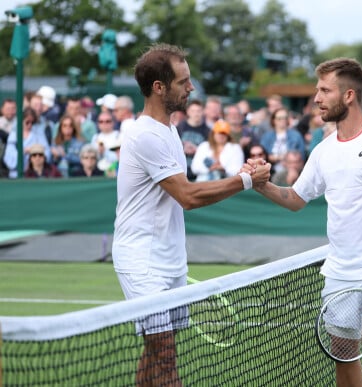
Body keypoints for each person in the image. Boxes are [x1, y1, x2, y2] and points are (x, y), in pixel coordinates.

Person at [112, 43, 270, 387]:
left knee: (155, 355)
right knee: (167, 358)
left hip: (169, 258)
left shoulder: (168, 129)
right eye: (183, 81)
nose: (191, 88)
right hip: (142, 259)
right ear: (159, 87)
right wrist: (245, 180)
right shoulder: (144, 135)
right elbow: (187, 196)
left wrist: (240, 177)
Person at [250, 57, 362, 387]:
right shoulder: (323, 151)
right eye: (317, 90)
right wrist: (262, 184)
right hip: (339, 270)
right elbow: (296, 199)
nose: (317, 98)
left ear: (349, 95)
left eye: (325, 90)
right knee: (342, 352)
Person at [3, 107, 52, 178]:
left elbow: (47, 152)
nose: (30, 125)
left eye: (32, 122)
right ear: (21, 121)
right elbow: (9, 159)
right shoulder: (13, 135)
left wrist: (36, 152)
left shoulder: (39, 134)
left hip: (34, 175)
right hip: (16, 175)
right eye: (27, 122)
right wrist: (24, 151)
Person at [260, 107, 306, 173]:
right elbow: (262, 155)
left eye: (285, 117)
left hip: (291, 170)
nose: (283, 120)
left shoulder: (296, 135)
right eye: (279, 118)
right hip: (270, 170)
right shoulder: (267, 136)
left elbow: (302, 156)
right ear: (273, 120)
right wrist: (281, 157)